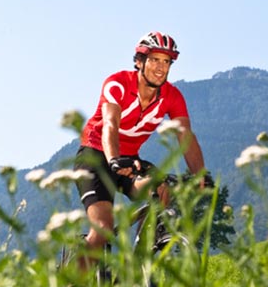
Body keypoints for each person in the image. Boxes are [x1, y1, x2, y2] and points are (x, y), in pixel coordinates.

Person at [74, 31, 208, 274]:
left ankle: (133, 270)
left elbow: (185, 137)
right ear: (139, 61)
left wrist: (200, 175)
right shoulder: (117, 83)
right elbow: (110, 125)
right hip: (96, 155)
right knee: (103, 227)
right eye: (155, 60)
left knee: (161, 189)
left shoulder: (172, 96)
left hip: (130, 160)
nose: (161, 67)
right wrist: (114, 160)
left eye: (166, 62)